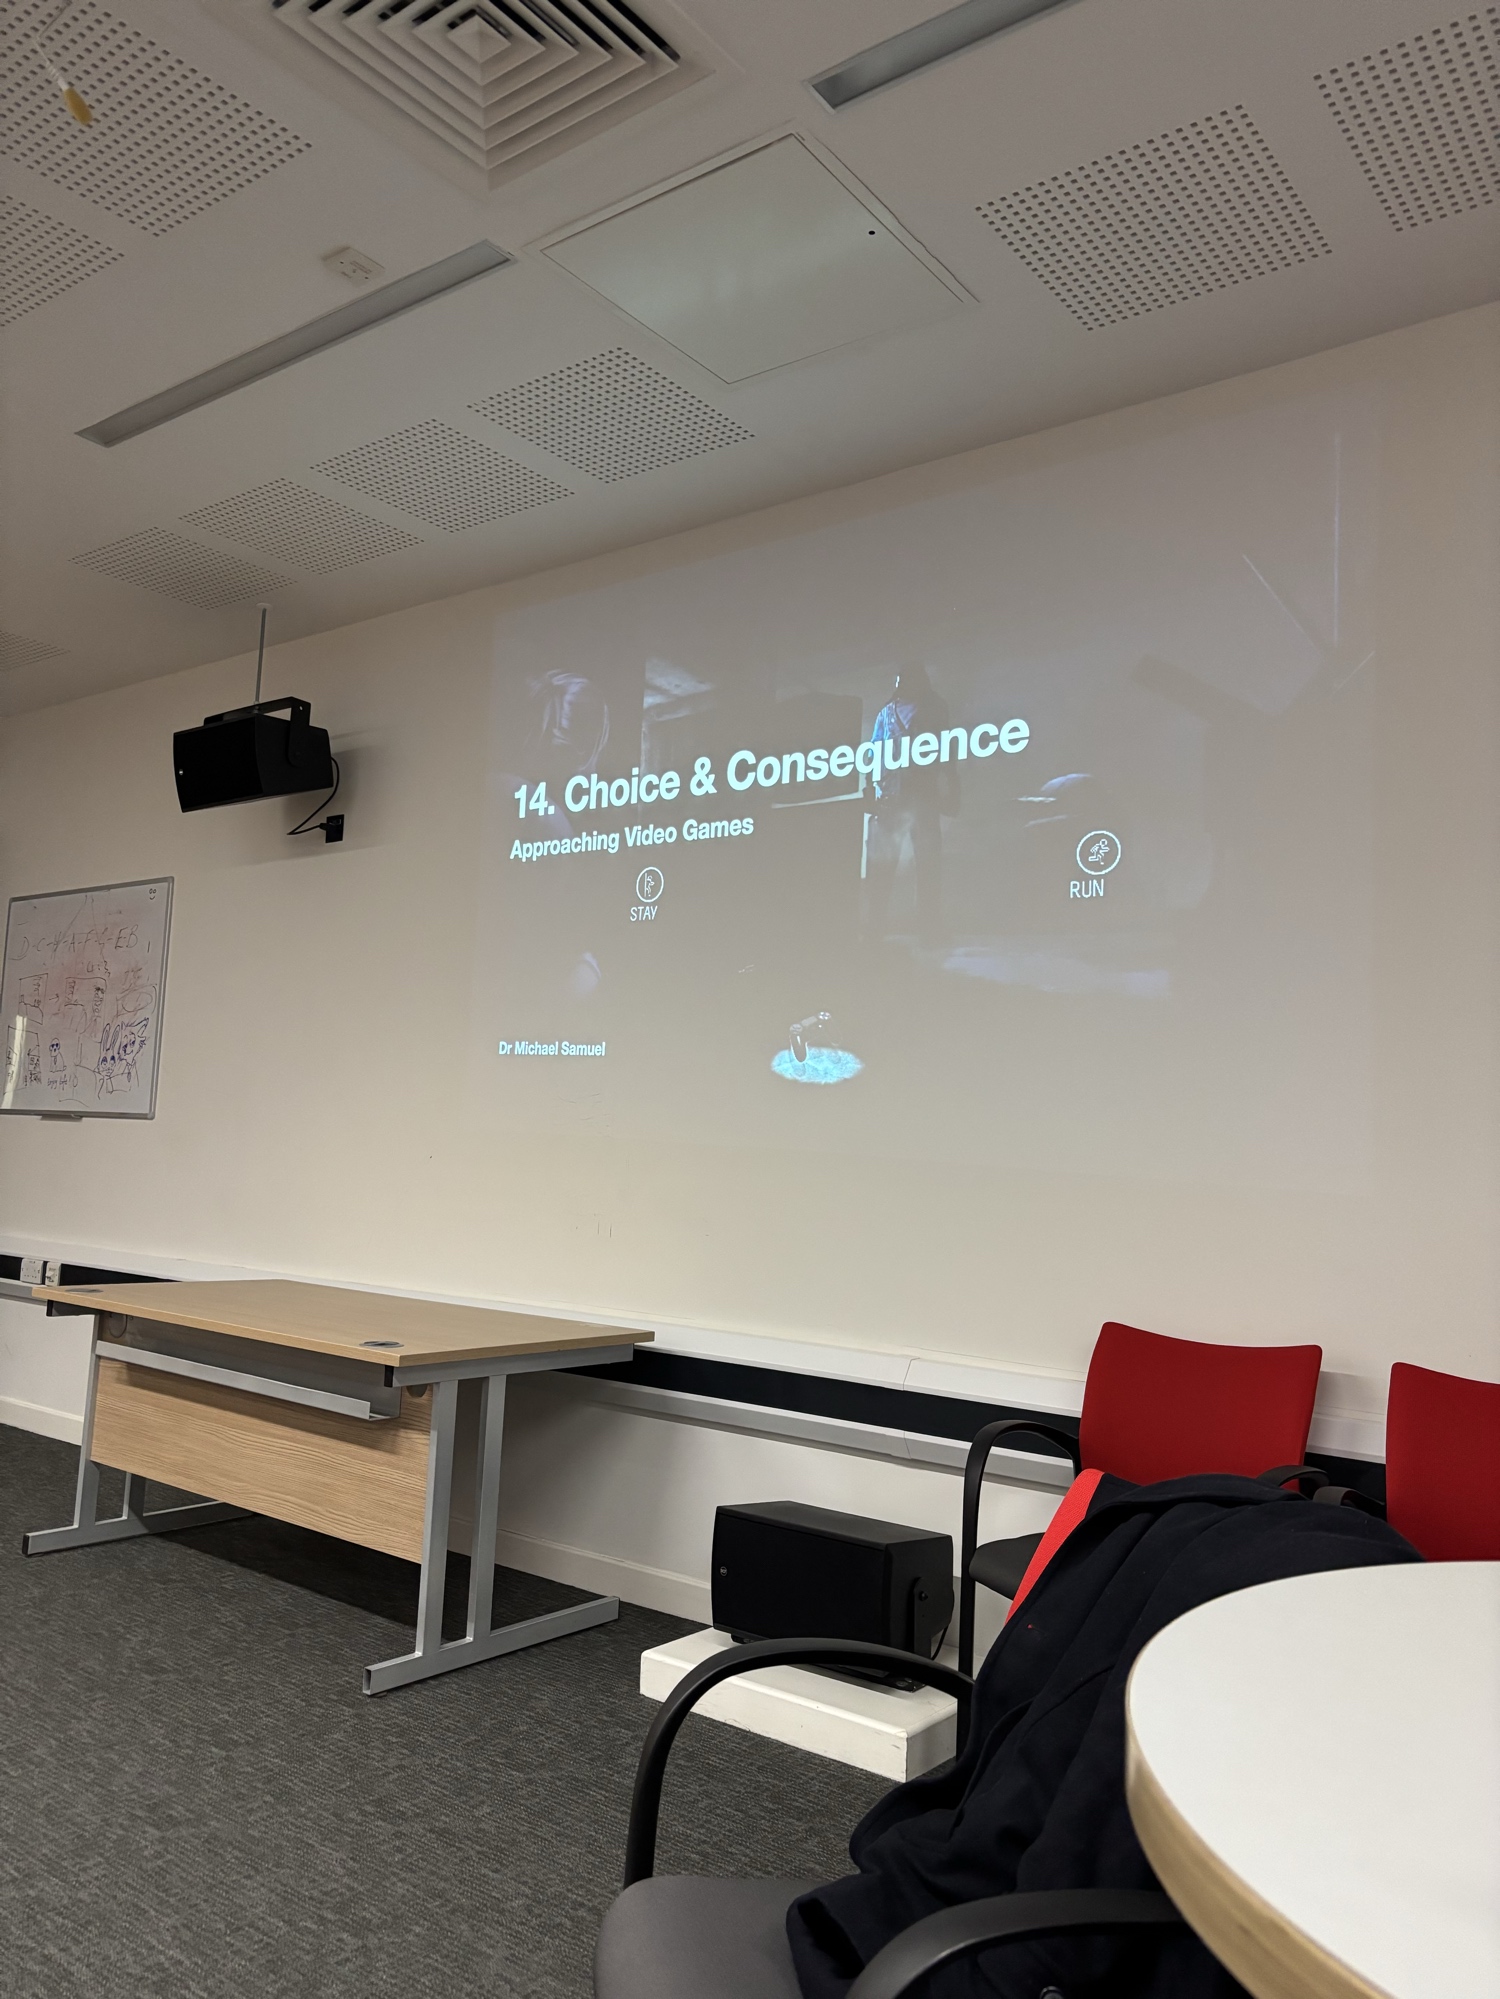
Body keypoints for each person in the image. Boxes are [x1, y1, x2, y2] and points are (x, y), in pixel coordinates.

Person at [865, 662, 956, 947]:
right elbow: (873, 753)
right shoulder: (885, 713)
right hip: (890, 797)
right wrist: (870, 791)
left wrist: (950, 791)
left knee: (928, 864)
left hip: (923, 797)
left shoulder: (936, 708)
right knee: (882, 866)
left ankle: (929, 929)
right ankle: (874, 930)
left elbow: (947, 752)